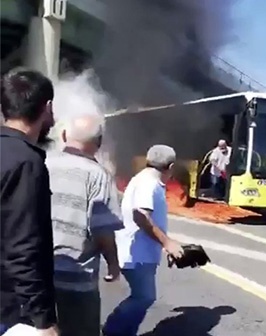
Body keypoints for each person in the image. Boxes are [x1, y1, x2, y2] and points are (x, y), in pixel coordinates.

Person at [46, 114, 123, 336]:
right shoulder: (99, 176)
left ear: (62, 135)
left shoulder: (42, 163)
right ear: (99, 143)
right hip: (77, 281)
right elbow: (102, 231)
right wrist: (113, 263)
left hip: (37, 274)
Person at [102, 144, 184, 336]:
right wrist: (167, 243)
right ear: (170, 167)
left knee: (143, 297)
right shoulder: (149, 183)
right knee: (144, 297)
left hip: (139, 251)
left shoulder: (144, 179)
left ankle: (123, 332)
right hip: (138, 254)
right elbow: (140, 215)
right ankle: (112, 329)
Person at [0, 68, 59, 336]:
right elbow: (22, 250)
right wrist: (43, 321)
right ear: (47, 108)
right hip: (10, 310)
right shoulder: (26, 162)